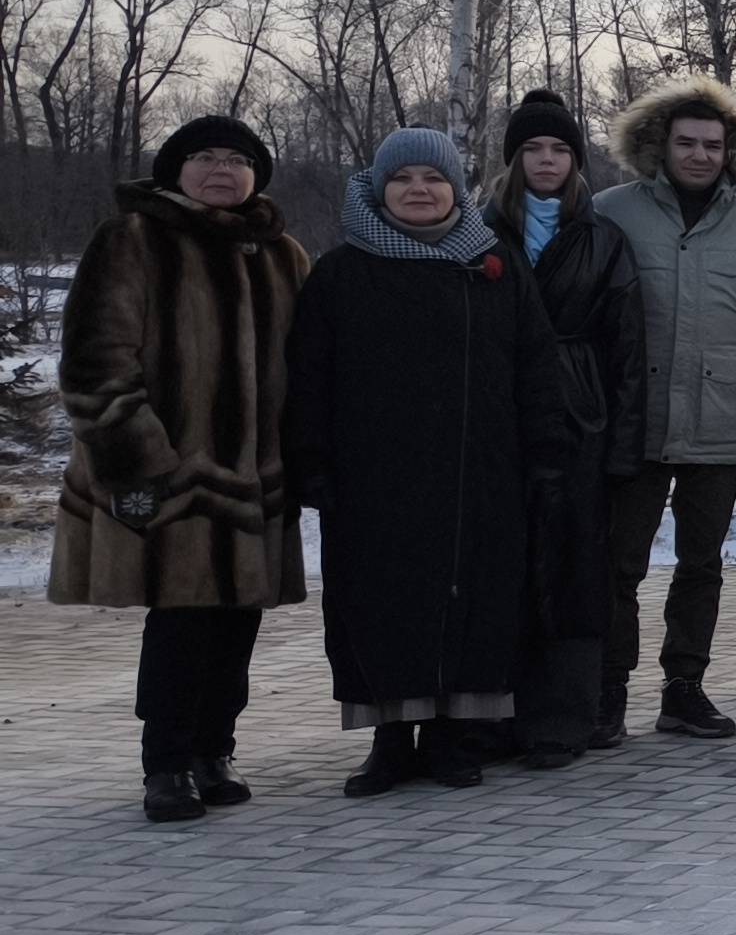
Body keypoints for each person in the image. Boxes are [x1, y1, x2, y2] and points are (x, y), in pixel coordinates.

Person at [289, 129, 570, 797]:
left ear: (456, 190)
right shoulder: (342, 272)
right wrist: (311, 461)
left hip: (481, 475)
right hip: (374, 481)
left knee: (473, 602)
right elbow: (308, 376)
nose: (419, 189)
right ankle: (390, 741)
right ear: (379, 189)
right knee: (379, 605)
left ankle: (452, 737)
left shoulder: (493, 264)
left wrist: (546, 453)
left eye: (434, 178)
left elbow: (535, 364)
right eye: (403, 178)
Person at [56, 115, 305, 822]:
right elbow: (95, 365)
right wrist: (140, 462)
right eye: (204, 158)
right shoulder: (132, 240)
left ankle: (214, 750)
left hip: (255, 479)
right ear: (175, 171)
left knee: (238, 621)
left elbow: (311, 363)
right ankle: (165, 763)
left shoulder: (282, 253)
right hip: (168, 473)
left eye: (236, 159)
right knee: (181, 620)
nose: (222, 170)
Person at [599, 78, 736, 744]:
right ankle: (608, 688)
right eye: (686, 143)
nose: (700, 155)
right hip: (635, 421)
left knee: (701, 564)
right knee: (618, 563)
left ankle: (684, 688)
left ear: (731, 151)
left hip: (722, 416)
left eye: (712, 145)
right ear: (660, 145)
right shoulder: (612, 212)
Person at [489, 89, 647, 765]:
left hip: (583, 418)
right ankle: (494, 716)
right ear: (513, 159)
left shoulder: (602, 239)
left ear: (576, 161)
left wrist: (624, 445)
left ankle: (563, 717)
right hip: (500, 418)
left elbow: (629, 351)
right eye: (533, 148)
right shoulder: (481, 233)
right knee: (505, 567)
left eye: (559, 149)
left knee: (577, 570)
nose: (547, 160)